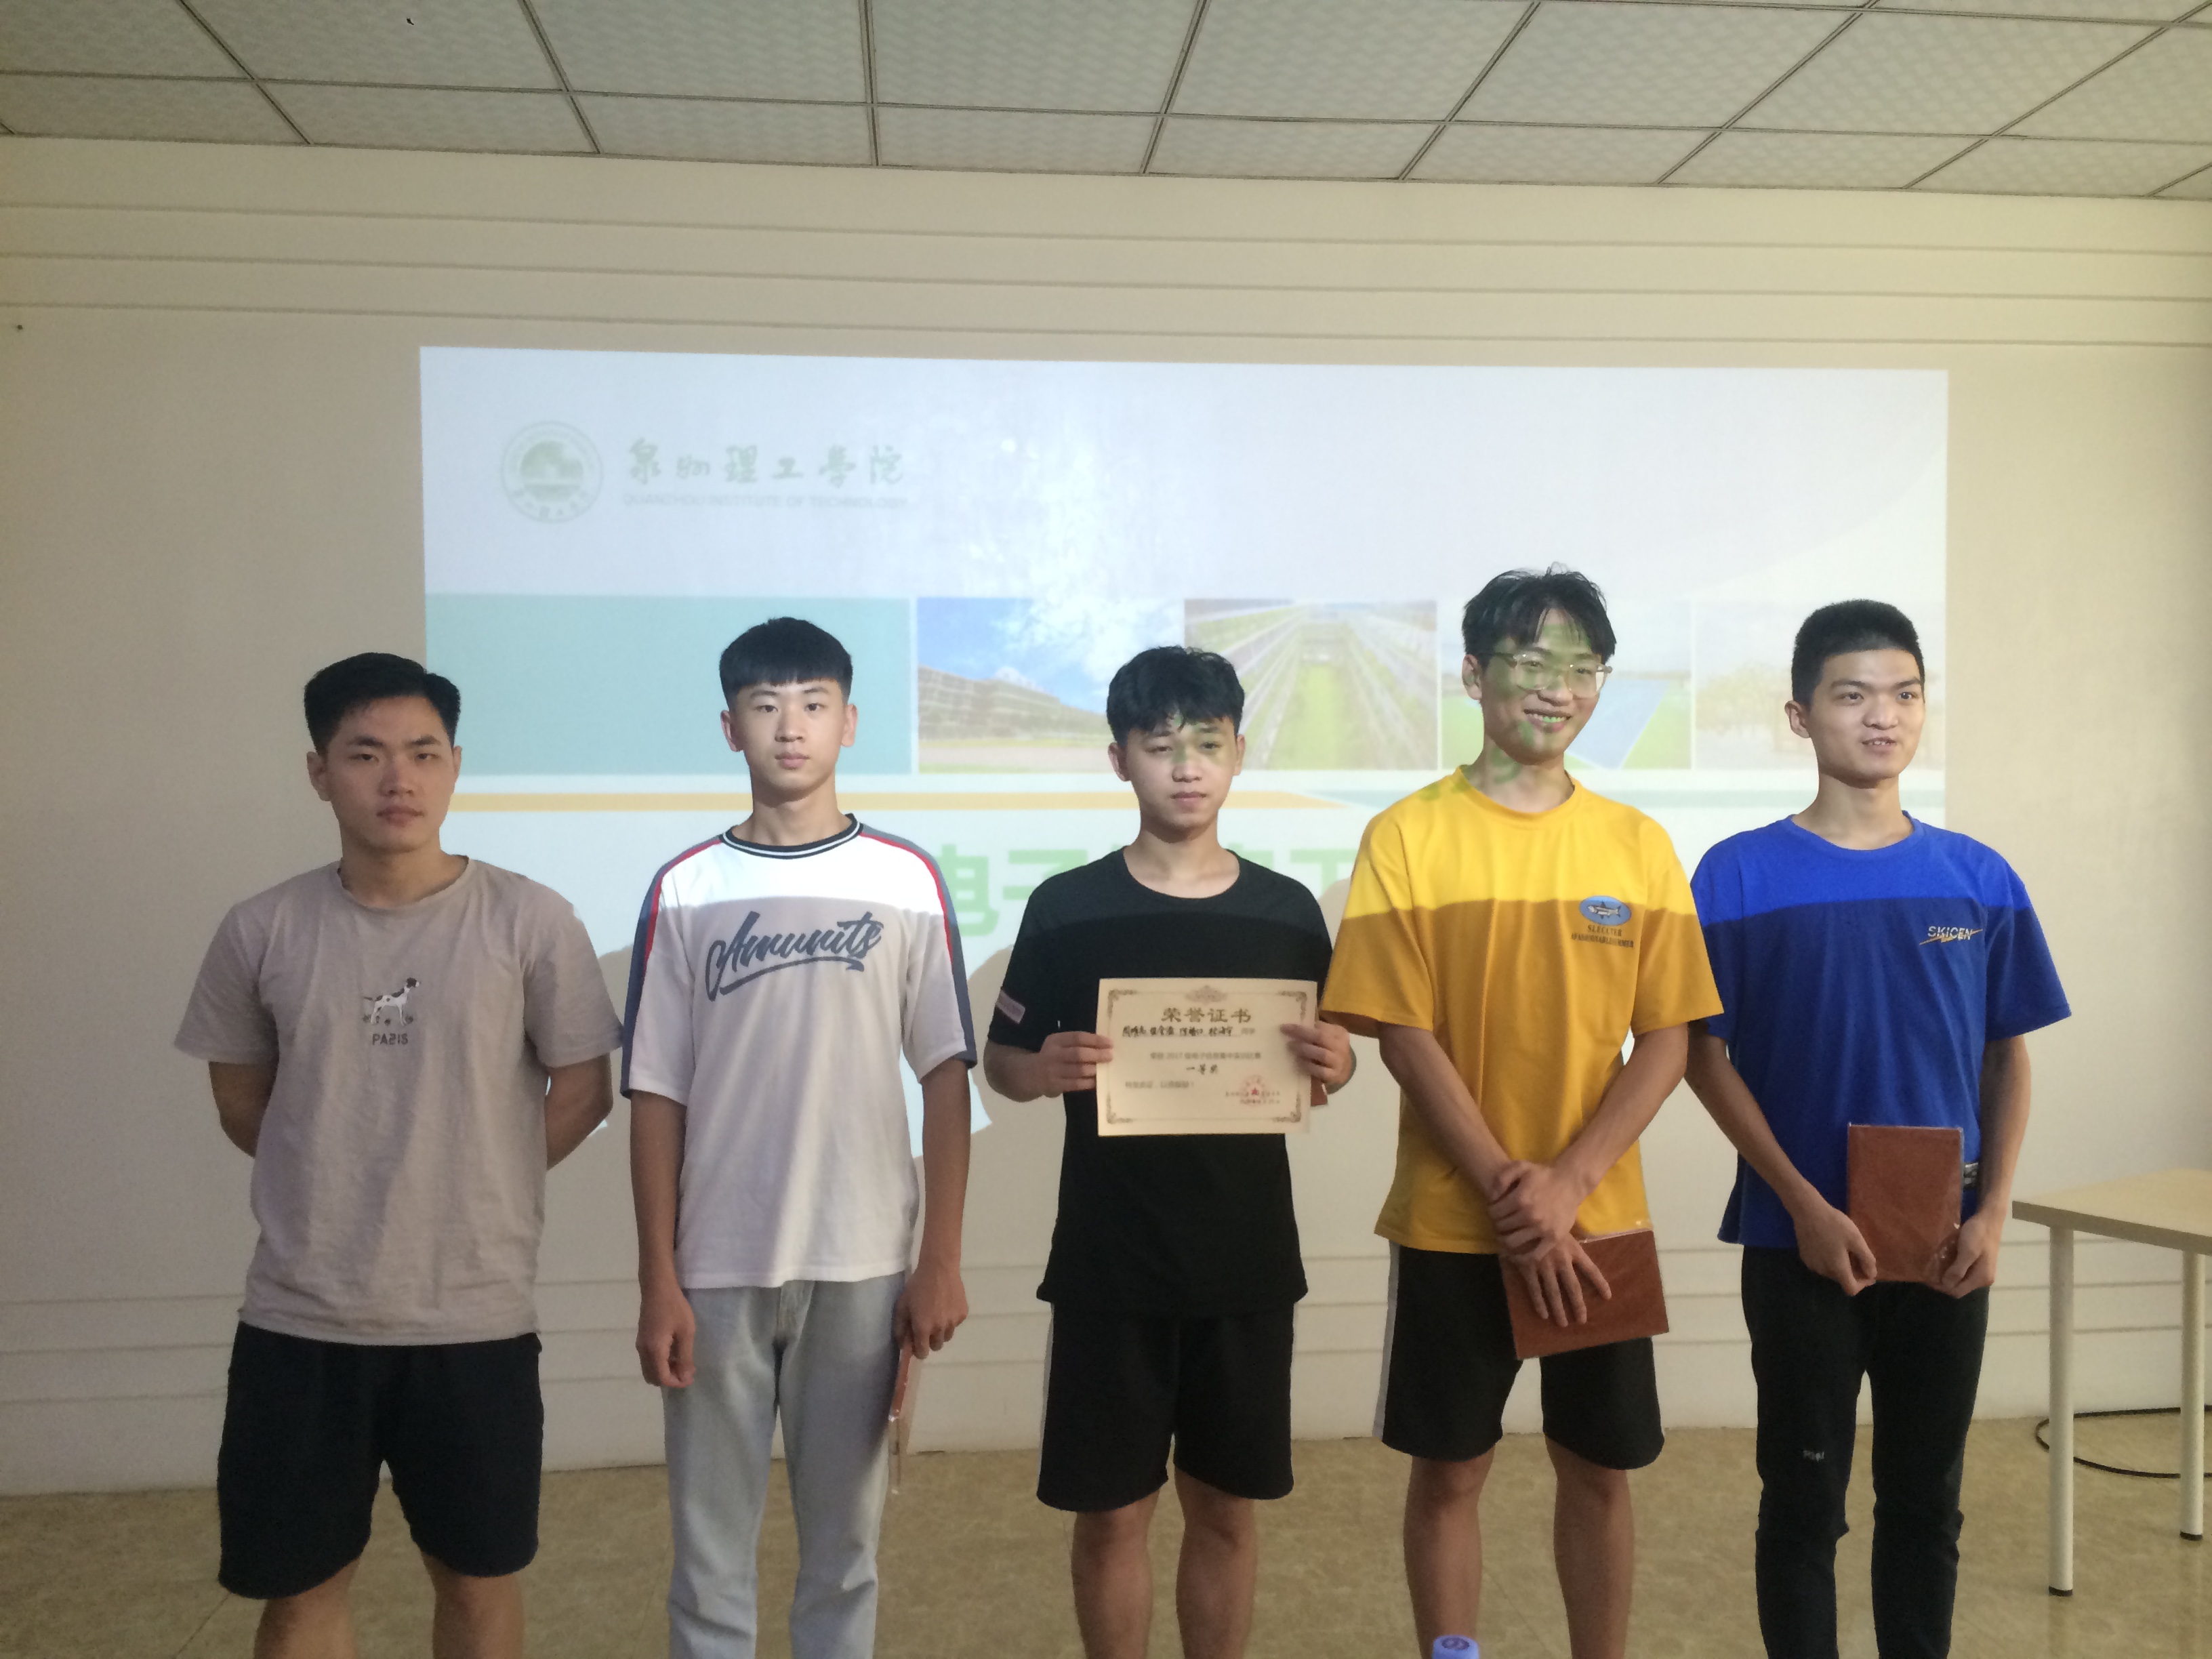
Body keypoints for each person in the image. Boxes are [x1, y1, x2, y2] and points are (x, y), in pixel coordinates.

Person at [174, 651, 621, 1659]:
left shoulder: (531, 920)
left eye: (423, 753)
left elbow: (585, 1090)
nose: (398, 779)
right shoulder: (263, 929)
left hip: (474, 1318)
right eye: (365, 753)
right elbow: (241, 1101)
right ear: (319, 772)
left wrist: (478, 1174)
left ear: (455, 767)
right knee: (299, 1595)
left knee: (478, 1582)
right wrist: (333, 1169)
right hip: (301, 1319)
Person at [1320, 567, 1721, 1659]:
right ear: (1473, 673)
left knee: (1599, 1468)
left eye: (1583, 669)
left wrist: (1568, 1184)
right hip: (1457, 1221)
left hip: (1599, 1220)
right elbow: (1405, 1034)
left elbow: (1670, 1037)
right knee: (1451, 1470)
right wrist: (1515, 1193)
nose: (1558, 689)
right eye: (1532, 663)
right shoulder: (1407, 835)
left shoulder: (1636, 844)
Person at [1683, 600, 2068, 1659]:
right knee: (1803, 1503)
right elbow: (1702, 1056)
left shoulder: (1979, 879)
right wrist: (1802, 1205)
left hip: (1946, 1247)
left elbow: (2006, 1054)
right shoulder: (1736, 876)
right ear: (1801, 716)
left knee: (1926, 1502)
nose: (1882, 717)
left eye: (1904, 694)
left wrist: (1994, 1213)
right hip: (1798, 1243)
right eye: (1852, 695)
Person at [983, 644, 1353, 1659]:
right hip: (1111, 1265)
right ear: (1119, 760)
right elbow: (1001, 1064)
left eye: (1207, 745)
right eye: (1159, 746)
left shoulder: (1285, 912)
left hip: (1246, 1264)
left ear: (1239, 753)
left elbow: (1325, 1066)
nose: (1186, 768)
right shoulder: (1068, 906)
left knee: (1227, 1509)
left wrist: (1338, 1062)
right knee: (1111, 1516)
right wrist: (1042, 1067)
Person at [625, 616, 975, 1659]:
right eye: (766, 706)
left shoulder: (904, 881)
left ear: (849, 723)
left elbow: (946, 1079)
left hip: (863, 1264)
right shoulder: (687, 890)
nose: (791, 727)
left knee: (845, 1554)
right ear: (729, 726)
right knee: (708, 1561)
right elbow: (655, 1097)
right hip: (716, 1267)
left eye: (814, 705)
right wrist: (657, 1277)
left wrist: (941, 1258)